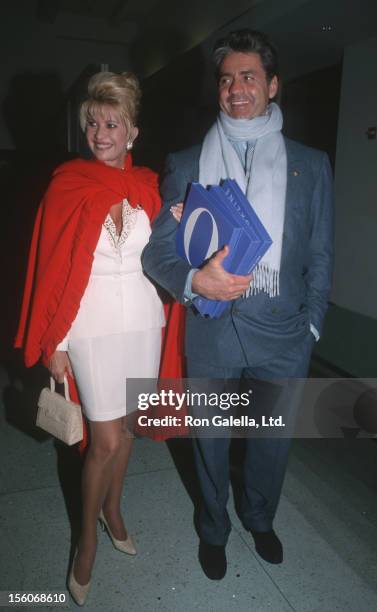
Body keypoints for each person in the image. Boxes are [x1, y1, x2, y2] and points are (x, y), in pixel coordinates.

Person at [142, 29, 334, 580]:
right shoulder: (184, 163)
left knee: (271, 445)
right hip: (213, 330)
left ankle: (259, 517)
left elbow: (320, 252)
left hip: (284, 332)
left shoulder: (311, 165)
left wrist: (313, 326)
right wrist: (194, 282)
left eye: (249, 76)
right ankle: (214, 527)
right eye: (226, 79)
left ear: (272, 86)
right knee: (210, 440)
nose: (236, 88)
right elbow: (157, 249)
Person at [15, 71, 176, 605]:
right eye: (92, 123)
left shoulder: (151, 187)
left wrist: (182, 225)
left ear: (132, 130)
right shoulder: (68, 182)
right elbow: (52, 267)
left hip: (143, 323)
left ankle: (113, 510)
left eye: (112, 123)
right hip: (88, 325)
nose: (100, 133)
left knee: (128, 428)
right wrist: (54, 341)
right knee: (102, 441)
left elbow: (169, 256)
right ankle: (86, 542)